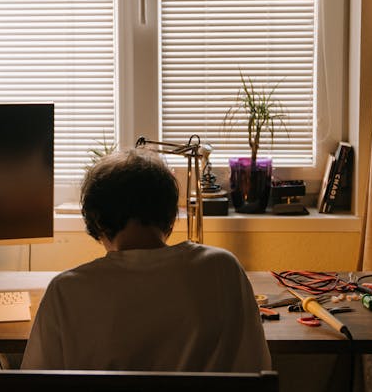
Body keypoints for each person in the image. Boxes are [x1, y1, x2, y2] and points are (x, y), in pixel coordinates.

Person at [22, 148, 271, 372]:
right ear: (171, 216)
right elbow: (256, 367)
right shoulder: (223, 268)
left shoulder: (66, 290)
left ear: (96, 220)